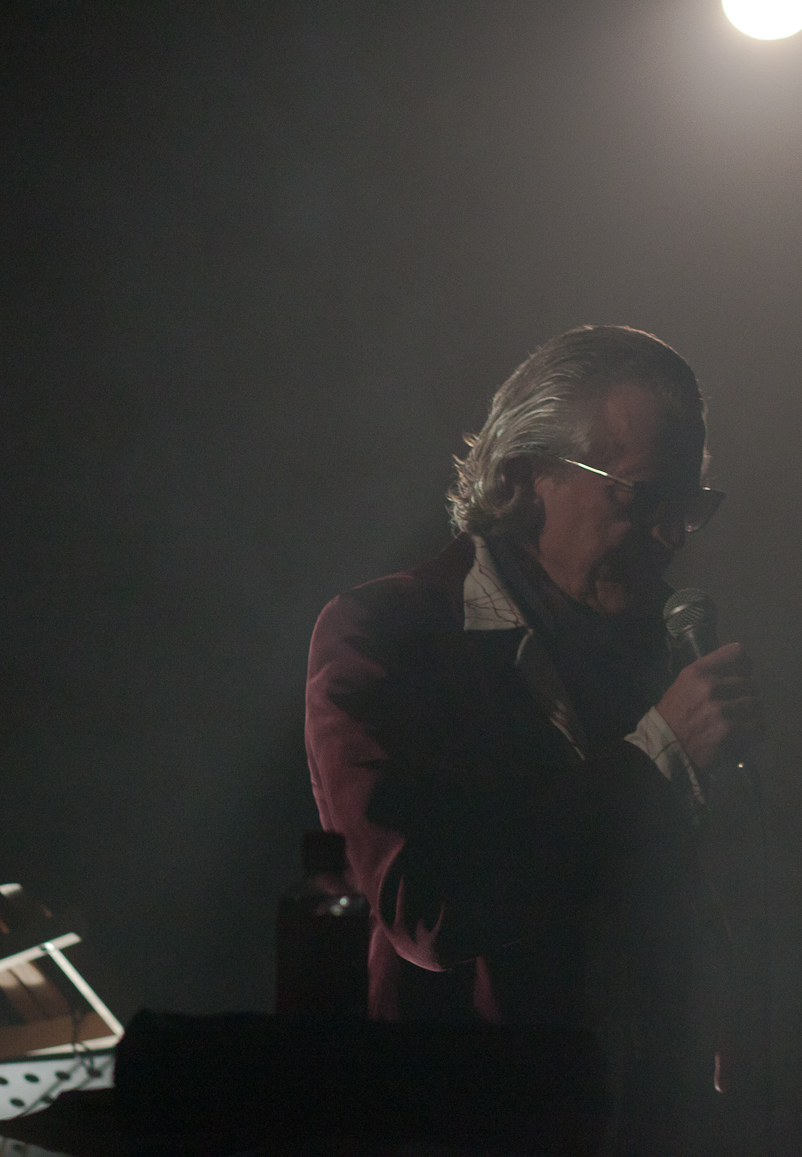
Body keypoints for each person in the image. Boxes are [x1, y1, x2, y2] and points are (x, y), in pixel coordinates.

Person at [304, 325, 763, 1153]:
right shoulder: (388, 633)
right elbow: (427, 907)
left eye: (688, 507)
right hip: (471, 1122)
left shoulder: (649, 645)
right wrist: (657, 753)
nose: (672, 537)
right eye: (641, 497)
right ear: (522, 479)